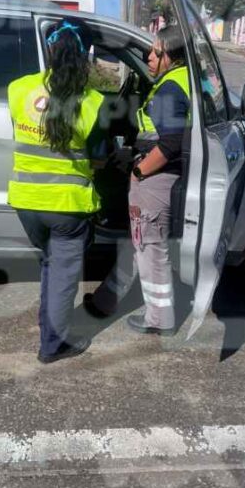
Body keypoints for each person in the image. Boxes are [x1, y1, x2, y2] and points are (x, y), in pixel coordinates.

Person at [7, 20, 106, 364]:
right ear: (84, 55)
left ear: (50, 50)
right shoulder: (93, 102)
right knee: (63, 276)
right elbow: (99, 158)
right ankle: (52, 345)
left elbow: (21, 135)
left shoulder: (18, 89)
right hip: (67, 207)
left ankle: (48, 327)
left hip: (25, 202)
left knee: (51, 266)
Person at [87, 26, 190, 337]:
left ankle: (160, 319)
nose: (149, 57)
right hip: (161, 175)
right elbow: (161, 137)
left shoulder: (170, 89)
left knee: (151, 248)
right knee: (141, 242)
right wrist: (133, 154)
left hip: (156, 180)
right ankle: (106, 299)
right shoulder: (185, 80)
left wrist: (139, 171)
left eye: (155, 52)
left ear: (170, 55)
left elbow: (170, 144)